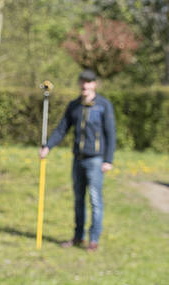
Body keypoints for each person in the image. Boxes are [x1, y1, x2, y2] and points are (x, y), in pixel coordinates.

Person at [39, 69, 116, 252]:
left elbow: (110, 133)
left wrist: (108, 160)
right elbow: (62, 129)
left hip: (96, 160)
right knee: (78, 200)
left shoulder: (104, 105)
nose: (85, 85)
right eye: (82, 82)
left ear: (94, 84)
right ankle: (78, 236)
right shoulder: (74, 106)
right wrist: (48, 146)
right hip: (78, 160)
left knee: (95, 200)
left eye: (88, 82)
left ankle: (93, 240)